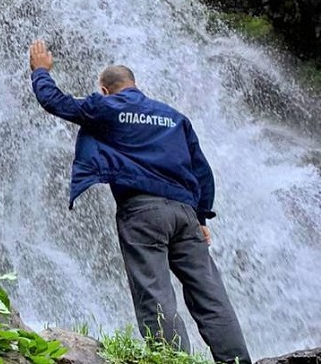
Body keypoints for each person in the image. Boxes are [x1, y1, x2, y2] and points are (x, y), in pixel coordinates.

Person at [28, 40, 251, 363]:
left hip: (143, 211)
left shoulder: (106, 108)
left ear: (104, 90)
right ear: (134, 84)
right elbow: (202, 170)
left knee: (155, 294)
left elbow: (56, 102)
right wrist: (201, 218)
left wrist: (41, 72)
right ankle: (237, 361)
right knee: (210, 294)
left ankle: (172, 361)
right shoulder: (173, 117)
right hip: (185, 213)